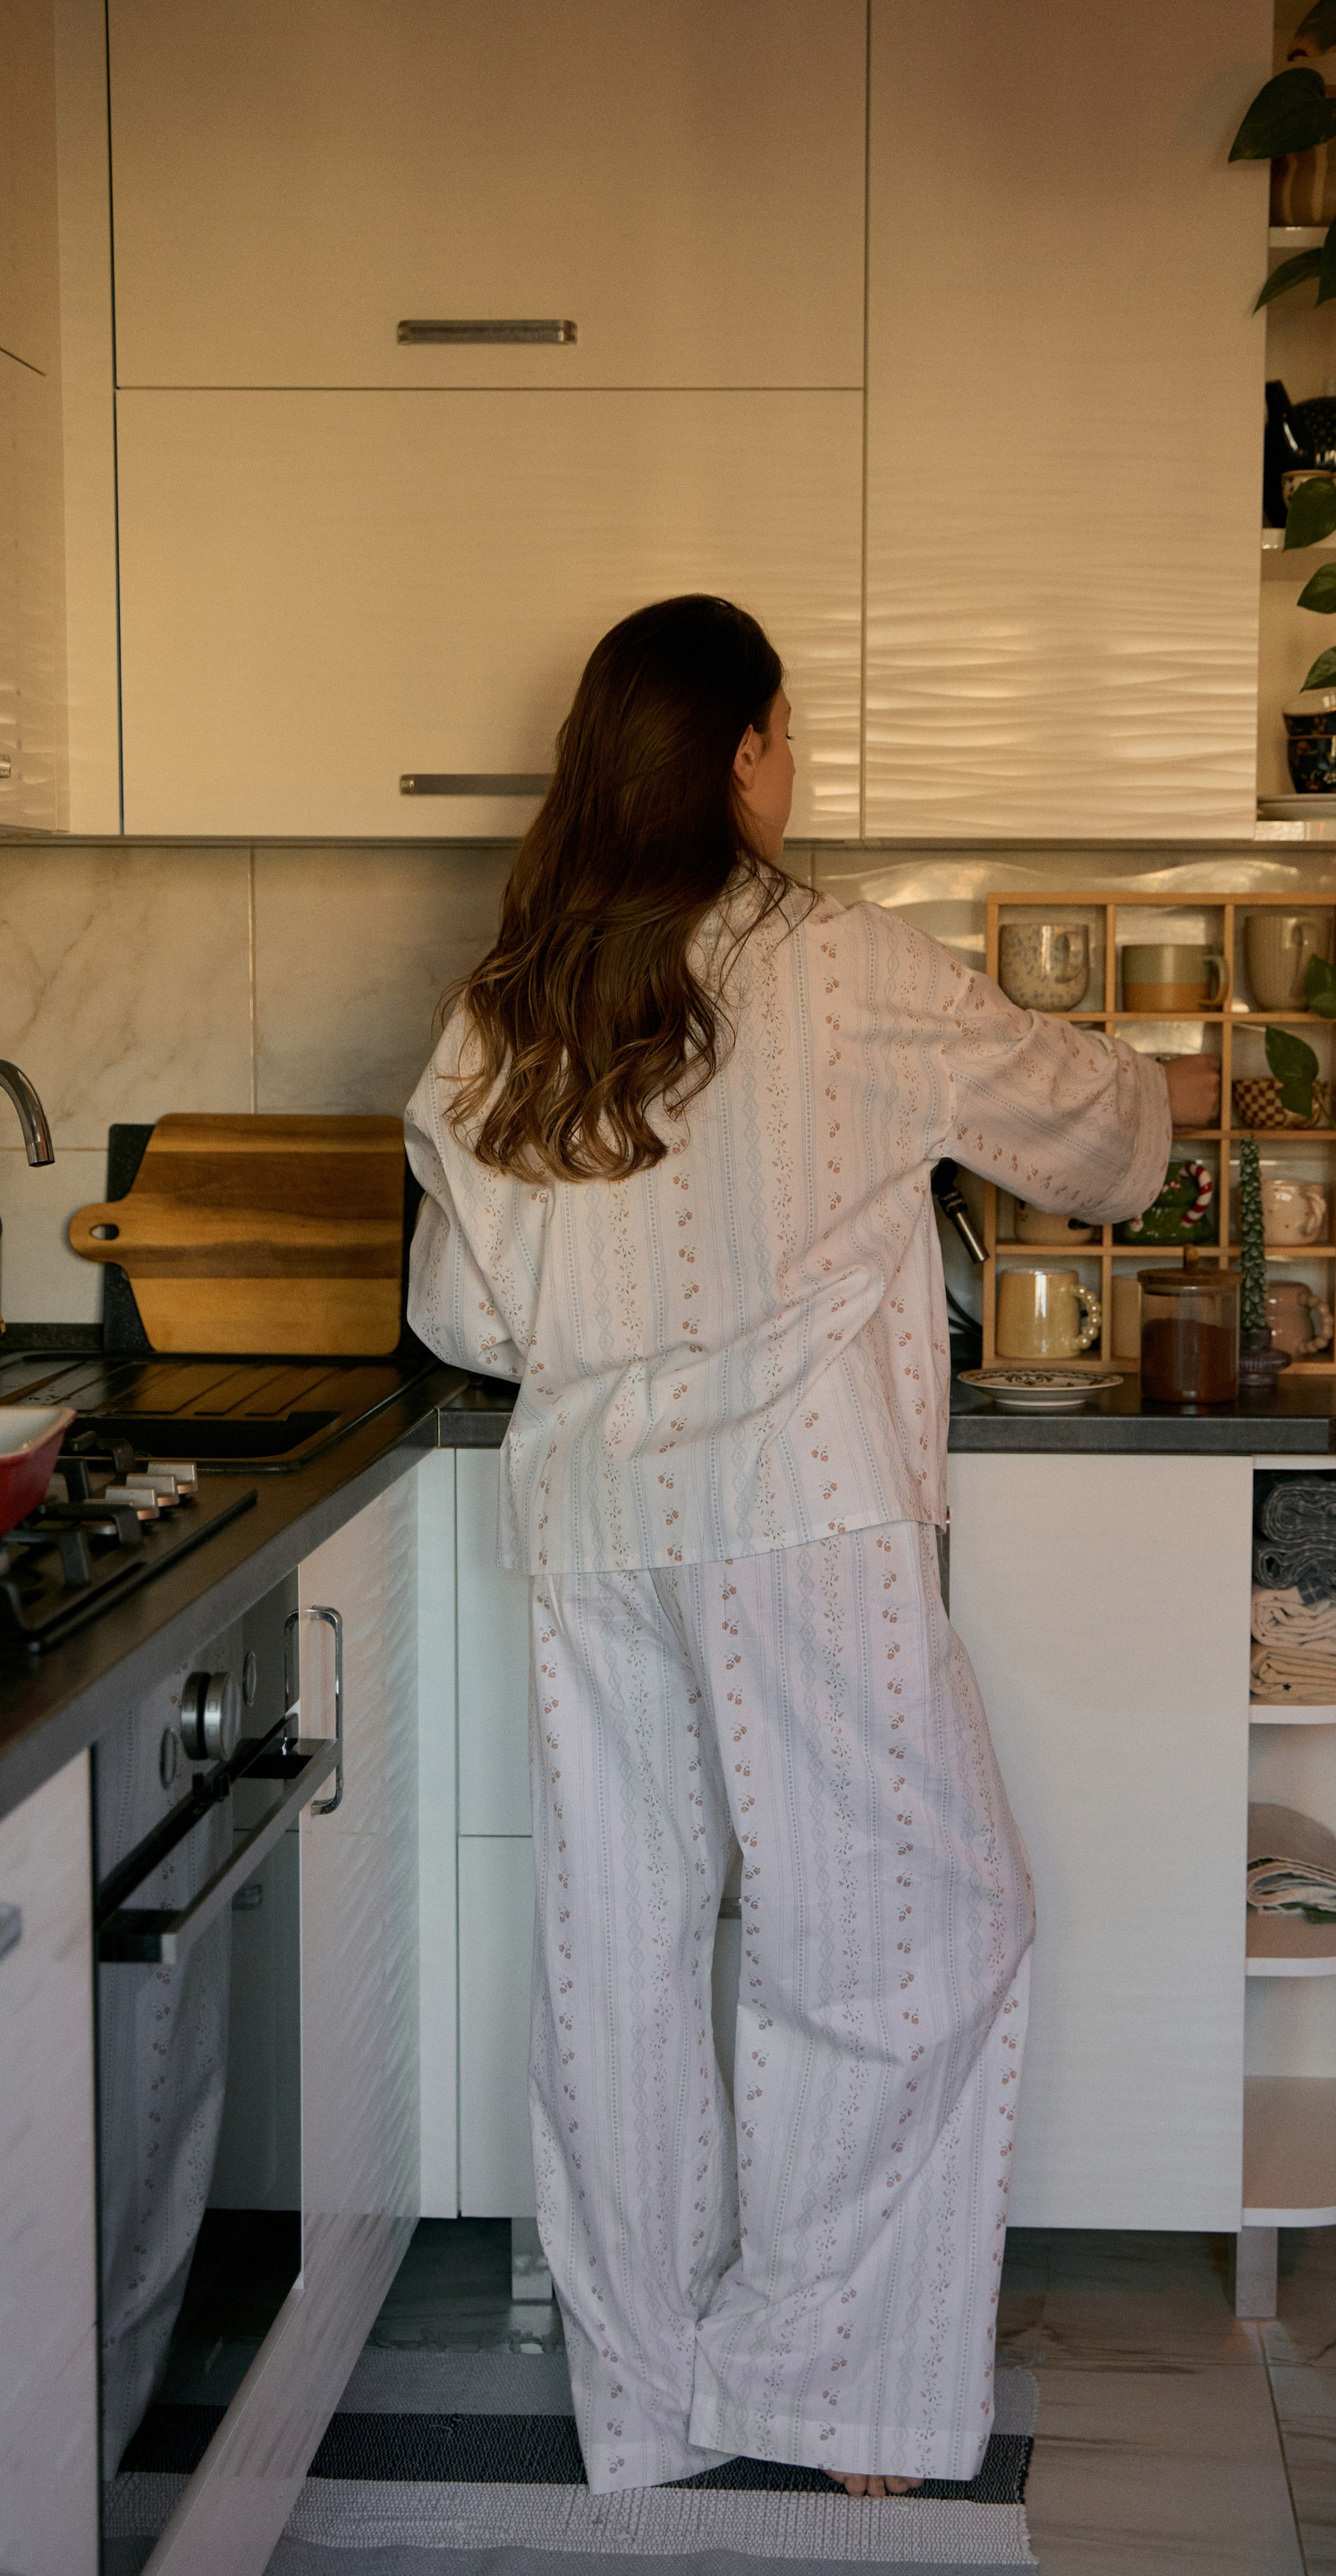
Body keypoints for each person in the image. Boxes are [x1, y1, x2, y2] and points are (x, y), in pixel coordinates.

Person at [405, 594, 1216, 2500]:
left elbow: (461, 1314)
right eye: (790, 733)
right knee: (913, 1940)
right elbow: (1105, 1147)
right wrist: (1168, 1088)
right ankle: (827, 2384)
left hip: (594, 1524)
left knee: (620, 1960)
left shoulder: (506, 1003)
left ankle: (649, 2402)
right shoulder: (849, 967)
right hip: (804, 1520)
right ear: (748, 751)